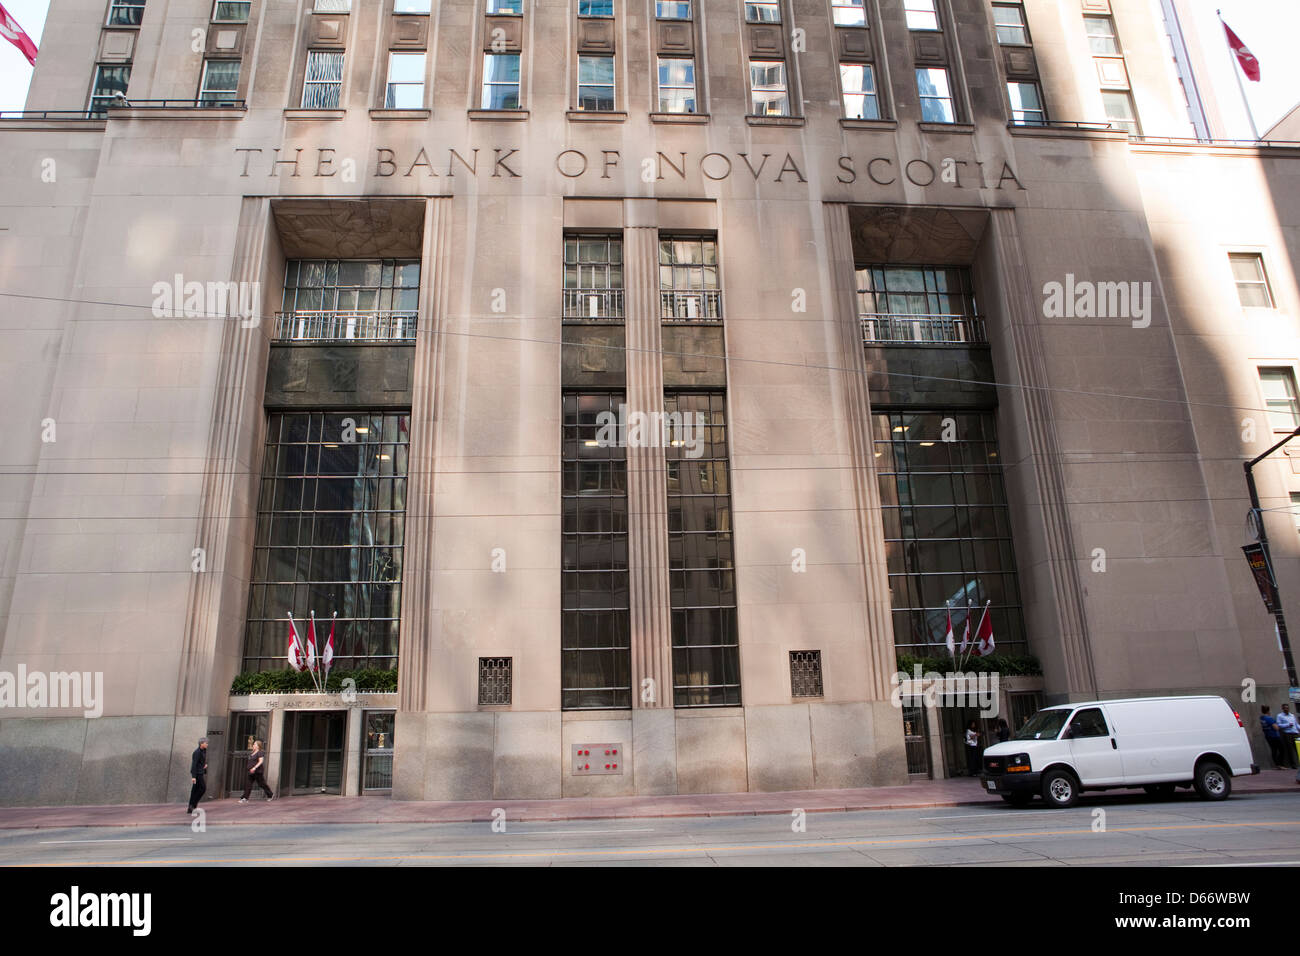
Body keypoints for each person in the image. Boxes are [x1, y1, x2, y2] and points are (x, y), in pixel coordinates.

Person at [187, 737, 208, 814]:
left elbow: (200, 762)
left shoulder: (204, 751)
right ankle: (192, 805)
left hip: (200, 772)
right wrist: (193, 777)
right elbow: (194, 764)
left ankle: (191, 807)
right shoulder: (197, 752)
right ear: (201, 743)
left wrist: (204, 765)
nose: (207, 744)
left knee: (195, 790)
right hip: (197, 774)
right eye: (206, 743)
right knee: (202, 788)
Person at [1276, 704, 1300, 770]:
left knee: (1298, 748)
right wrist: (1288, 725)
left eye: (1287, 708)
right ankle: (1293, 765)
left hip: (1295, 733)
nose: (1286, 709)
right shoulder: (1280, 716)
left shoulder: (1292, 715)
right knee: (1290, 750)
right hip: (1288, 734)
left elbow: (1296, 724)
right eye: (1285, 708)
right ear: (1282, 709)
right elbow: (1279, 725)